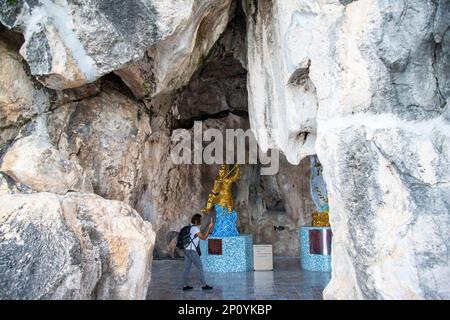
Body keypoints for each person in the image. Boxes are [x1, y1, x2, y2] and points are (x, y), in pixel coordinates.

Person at [182, 214, 214, 291]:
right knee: (200, 267)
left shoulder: (190, 227)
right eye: (200, 219)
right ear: (196, 220)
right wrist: (209, 228)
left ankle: (185, 285)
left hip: (186, 250)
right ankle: (204, 285)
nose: (201, 221)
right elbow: (203, 237)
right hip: (191, 251)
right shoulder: (195, 229)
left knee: (186, 268)